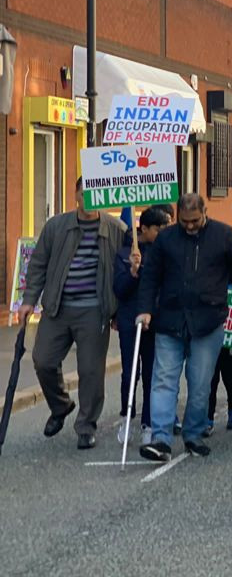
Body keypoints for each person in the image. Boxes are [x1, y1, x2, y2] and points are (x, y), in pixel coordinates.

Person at [136, 195, 232, 461]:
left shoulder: (222, 234)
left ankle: (193, 434)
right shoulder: (166, 239)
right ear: (177, 216)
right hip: (170, 319)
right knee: (164, 380)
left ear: (205, 213)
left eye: (195, 221)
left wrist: (219, 281)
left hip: (208, 320)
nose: (189, 226)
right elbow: (151, 275)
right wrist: (145, 308)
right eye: (184, 221)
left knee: (200, 382)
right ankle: (161, 438)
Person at [19, 178, 127, 450]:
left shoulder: (117, 229)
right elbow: (38, 265)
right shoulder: (57, 226)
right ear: (75, 195)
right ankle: (61, 405)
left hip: (94, 311)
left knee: (91, 371)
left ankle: (86, 426)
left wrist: (120, 308)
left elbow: (126, 272)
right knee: (42, 360)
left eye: (97, 194)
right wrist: (29, 300)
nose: (90, 199)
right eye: (85, 193)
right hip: (57, 307)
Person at [113, 206, 171, 445]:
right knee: (129, 372)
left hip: (155, 320)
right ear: (144, 229)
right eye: (159, 228)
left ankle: (149, 422)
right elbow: (120, 289)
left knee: (151, 374)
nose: (163, 232)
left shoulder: (163, 252)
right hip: (129, 319)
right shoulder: (124, 252)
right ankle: (127, 416)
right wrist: (133, 271)